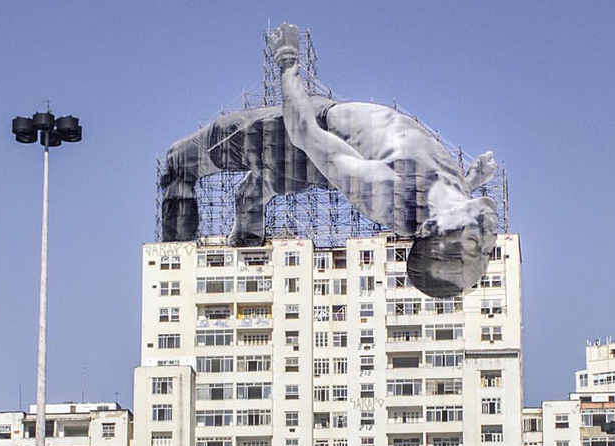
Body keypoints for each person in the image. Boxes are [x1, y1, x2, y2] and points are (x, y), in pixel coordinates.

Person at [161, 22, 498, 297]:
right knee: (263, 183)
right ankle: (249, 211)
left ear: (433, 228)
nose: (488, 240)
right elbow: (438, 196)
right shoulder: (454, 201)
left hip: (296, 135)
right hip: (315, 146)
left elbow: (303, 132)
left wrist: (287, 60)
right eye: (484, 250)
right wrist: (470, 179)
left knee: (182, 158)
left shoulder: (384, 191)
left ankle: (175, 254)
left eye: (474, 244)